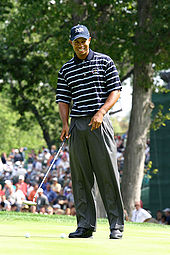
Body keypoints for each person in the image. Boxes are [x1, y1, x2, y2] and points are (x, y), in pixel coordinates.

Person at [56, 24, 124, 239]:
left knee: (107, 175)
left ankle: (116, 226)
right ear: (71, 43)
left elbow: (116, 90)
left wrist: (102, 112)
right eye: (76, 42)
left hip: (99, 123)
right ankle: (85, 225)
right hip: (77, 125)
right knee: (81, 178)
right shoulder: (66, 69)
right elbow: (63, 99)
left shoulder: (104, 61)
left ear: (89, 40)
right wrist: (65, 123)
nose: (80, 45)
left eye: (83, 41)